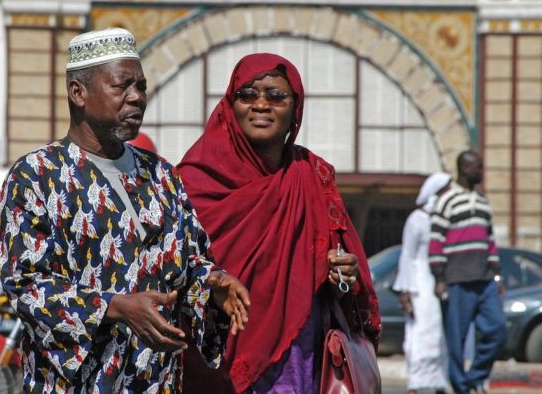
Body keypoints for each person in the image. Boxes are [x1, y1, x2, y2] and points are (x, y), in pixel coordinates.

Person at [0, 27, 251, 393]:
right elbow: (26, 285)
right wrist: (115, 307)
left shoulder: (161, 175)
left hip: (156, 381)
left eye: (142, 87)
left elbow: (190, 262)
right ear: (78, 92)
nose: (137, 98)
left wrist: (214, 285)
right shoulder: (37, 175)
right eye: (122, 86)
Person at [177, 53, 381, 393]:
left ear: (295, 109)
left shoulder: (313, 176)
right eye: (247, 94)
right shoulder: (193, 181)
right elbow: (169, 270)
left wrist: (341, 274)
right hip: (212, 360)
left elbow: (341, 263)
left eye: (276, 96)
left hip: (295, 359)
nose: (261, 105)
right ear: (230, 104)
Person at [429, 150, 506, 394]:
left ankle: (475, 377)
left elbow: (490, 240)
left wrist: (497, 274)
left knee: (497, 328)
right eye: (478, 168)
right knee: (456, 341)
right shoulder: (446, 200)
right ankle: (461, 387)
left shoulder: (483, 201)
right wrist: (439, 277)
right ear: (465, 168)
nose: (482, 173)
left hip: (484, 280)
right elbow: (436, 240)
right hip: (456, 280)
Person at [393, 172, 451, 394]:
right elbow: (407, 255)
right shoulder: (416, 219)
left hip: (441, 283)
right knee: (420, 334)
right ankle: (415, 385)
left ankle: (440, 383)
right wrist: (405, 290)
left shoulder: (445, 218)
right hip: (420, 284)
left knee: (441, 335)